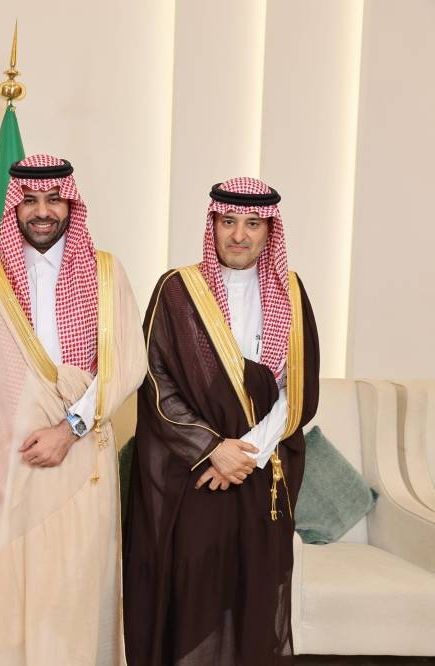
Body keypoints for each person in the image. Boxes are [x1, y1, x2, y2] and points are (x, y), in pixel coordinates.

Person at [0, 154, 146, 664]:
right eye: (29, 200)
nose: (42, 211)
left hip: (78, 457)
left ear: (71, 204)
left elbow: (126, 365)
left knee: (70, 595)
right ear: (15, 207)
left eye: (53, 199)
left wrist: (69, 428)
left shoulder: (106, 272)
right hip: (3, 464)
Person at [123, 177, 320, 665]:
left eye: (252, 224)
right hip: (195, 475)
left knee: (255, 591)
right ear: (212, 225)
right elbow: (156, 382)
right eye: (228, 221)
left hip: (261, 473)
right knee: (194, 591)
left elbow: (297, 389)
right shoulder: (177, 290)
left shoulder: (291, 292)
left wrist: (247, 453)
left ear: (269, 231)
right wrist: (213, 448)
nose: (239, 235)